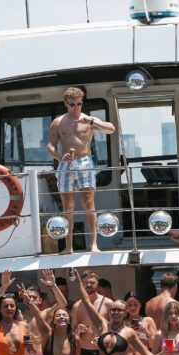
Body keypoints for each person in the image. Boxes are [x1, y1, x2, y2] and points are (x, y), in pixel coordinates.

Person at [47, 86, 115, 254]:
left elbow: (111, 129)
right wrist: (60, 156)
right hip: (66, 163)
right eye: (72, 104)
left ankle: (93, 245)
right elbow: (50, 146)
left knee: (88, 204)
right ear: (66, 103)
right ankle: (68, 247)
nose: (76, 107)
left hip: (85, 162)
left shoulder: (89, 119)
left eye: (79, 104)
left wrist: (92, 122)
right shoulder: (58, 122)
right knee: (67, 206)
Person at [20, 269, 68, 355]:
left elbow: (63, 303)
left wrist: (53, 284)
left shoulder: (45, 314)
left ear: (40, 300)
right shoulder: (19, 316)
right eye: (27, 297)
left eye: (33, 297)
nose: (29, 299)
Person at [71, 269, 113, 355]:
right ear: (82, 284)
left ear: (97, 283)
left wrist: (105, 335)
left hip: (104, 354)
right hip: (85, 354)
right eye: (86, 283)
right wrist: (78, 331)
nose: (88, 285)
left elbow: (116, 328)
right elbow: (72, 332)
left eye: (92, 282)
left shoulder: (108, 303)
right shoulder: (77, 306)